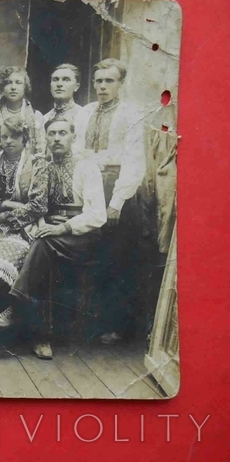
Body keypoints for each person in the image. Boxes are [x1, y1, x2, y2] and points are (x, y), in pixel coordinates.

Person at [0, 116, 106, 360]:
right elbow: (38, 206)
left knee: (43, 244)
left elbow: (97, 214)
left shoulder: (86, 167)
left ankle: (15, 308)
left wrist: (65, 228)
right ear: (45, 138)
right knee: (41, 250)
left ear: (73, 137)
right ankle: (41, 338)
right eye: (52, 134)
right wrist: (40, 226)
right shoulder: (42, 165)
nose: (57, 138)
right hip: (49, 232)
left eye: (63, 133)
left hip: (82, 235)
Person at [83, 58, 146, 344]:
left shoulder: (131, 114)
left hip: (117, 188)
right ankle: (91, 322)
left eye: (109, 81)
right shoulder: (86, 112)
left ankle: (120, 327)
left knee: (118, 258)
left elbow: (134, 161)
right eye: (99, 81)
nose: (103, 86)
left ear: (120, 84)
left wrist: (117, 202)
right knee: (93, 255)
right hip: (90, 185)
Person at [0, 66, 46, 156]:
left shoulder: (36, 116)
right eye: (8, 83)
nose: (13, 87)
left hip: (28, 166)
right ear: (2, 87)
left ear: (25, 87)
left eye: (18, 83)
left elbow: (41, 150)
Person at [41, 64, 91, 154]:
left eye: (66, 80)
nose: (59, 84)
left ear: (76, 87)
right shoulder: (44, 119)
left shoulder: (86, 116)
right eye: (55, 80)